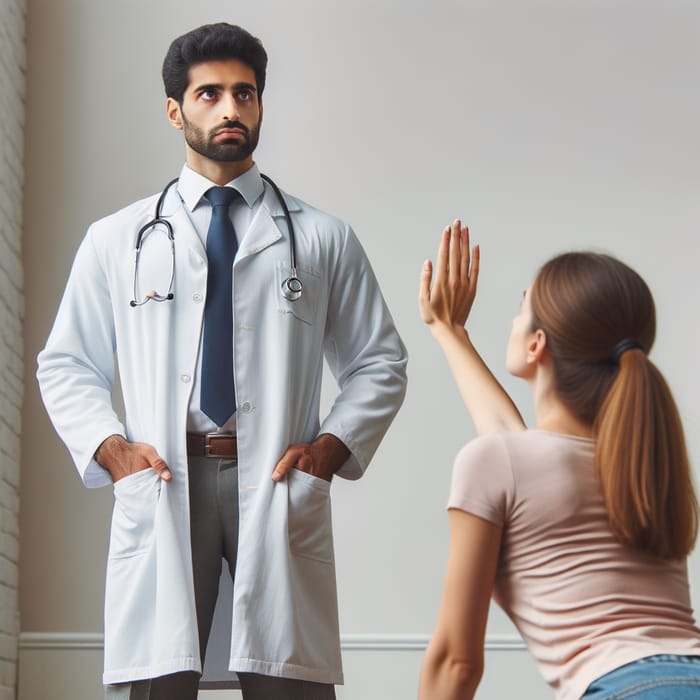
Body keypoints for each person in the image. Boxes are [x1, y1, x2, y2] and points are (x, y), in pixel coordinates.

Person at [37, 22, 407, 700]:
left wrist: (330, 447)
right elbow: (66, 363)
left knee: (288, 685)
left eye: (245, 93)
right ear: (176, 111)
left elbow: (380, 362)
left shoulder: (323, 238)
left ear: (262, 105)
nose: (230, 109)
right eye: (210, 94)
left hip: (273, 479)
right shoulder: (116, 239)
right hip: (166, 477)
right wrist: (110, 447)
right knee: (158, 682)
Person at [416, 221, 700, 699]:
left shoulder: (503, 463)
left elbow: (456, 664)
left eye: (521, 307)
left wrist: (447, 328)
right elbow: (512, 444)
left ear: (537, 342)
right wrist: (448, 330)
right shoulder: (638, 464)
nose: (513, 319)